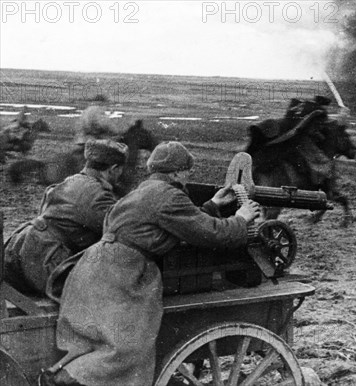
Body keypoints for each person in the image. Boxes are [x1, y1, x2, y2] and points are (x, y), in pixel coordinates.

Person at [40, 141, 261, 386]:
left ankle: (68, 374)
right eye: (187, 171)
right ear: (176, 172)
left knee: (96, 338)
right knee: (128, 347)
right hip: (122, 273)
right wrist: (241, 220)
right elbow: (212, 232)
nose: (188, 176)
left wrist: (212, 205)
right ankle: (63, 380)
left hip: (93, 266)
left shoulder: (145, 189)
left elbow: (177, 220)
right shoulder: (169, 195)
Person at [4, 139, 128, 296]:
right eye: (120, 170)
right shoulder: (98, 195)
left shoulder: (70, 181)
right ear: (114, 169)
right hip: (45, 264)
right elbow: (119, 233)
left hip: (19, 250)